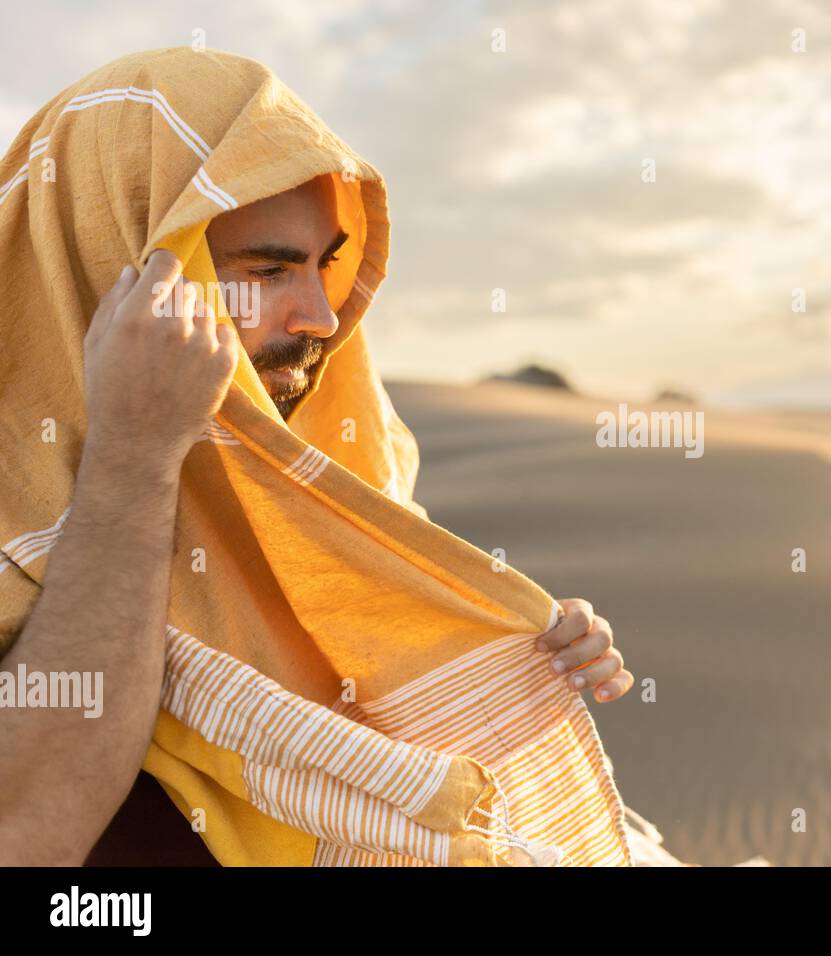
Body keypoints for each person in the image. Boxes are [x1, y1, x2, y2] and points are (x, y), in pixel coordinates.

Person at [0, 55, 634, 866]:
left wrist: (506, 649)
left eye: (323, 264)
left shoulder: (303, 492)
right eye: (266, 270)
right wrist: (132, 459)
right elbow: (28, 835)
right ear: (110, 268)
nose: (323, 317)